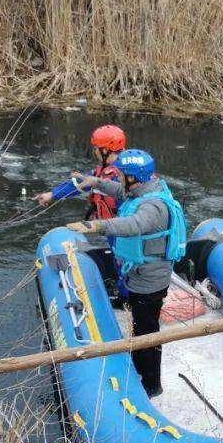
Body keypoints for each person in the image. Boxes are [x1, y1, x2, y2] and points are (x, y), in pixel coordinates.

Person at [67, 150, 186, 397]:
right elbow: (120, 192)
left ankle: (152, 384)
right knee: (140, 324)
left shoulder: (152, 206)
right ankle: (138, 362)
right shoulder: (145, 188)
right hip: (141, 274)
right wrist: (97, 183)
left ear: (134, 177)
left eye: (122, 174)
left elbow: (134, 225)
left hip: (149, 280)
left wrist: (97, 225)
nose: (119, 177)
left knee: (148, 331)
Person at [33, 124, 126, 218]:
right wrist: (53, 194)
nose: (95, 152)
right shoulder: (104, 170)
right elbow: (79, 183)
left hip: (117, 227)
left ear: (105, 150)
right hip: (104, 224)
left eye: (96, 148)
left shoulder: (124, 175)